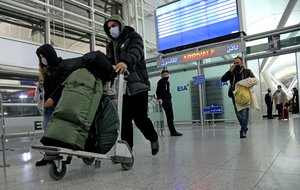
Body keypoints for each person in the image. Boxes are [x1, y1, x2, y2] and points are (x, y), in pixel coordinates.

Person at [103, 15, 159, 155]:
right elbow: (109, 61)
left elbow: (136, 52)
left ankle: (153, 137)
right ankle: (127, 151)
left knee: (140, 118)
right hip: (121, 87)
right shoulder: (111, 45)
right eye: (109, 27)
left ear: (120, 25)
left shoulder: (134, 37)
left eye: (114, 25)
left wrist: (124, 62)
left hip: (138, 85)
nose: (112, 29)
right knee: (124, 120)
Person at [221, 56, 255, 138]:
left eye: (237, 63)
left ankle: (243, 130)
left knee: (244, 114)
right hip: (235, 95)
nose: (235, 64)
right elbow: (222, 79)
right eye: (234, 63)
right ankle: (244, 128)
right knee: (238, 114)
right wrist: (229, 71)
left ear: (241, 63)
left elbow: (254, 79)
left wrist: (246, 83)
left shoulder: (247, 71)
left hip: (245, 95)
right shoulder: (231, 72)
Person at [156, 69, 182, 136]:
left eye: (167, 74)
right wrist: (160, 98)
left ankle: (173, 131)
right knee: (169, 116)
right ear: (162, 75)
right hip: (164, 101)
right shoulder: (161, 82)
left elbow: (167, 91)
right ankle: (173, 131)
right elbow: (158, 91)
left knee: (170, 116)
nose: (166, 75)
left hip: (168, 100)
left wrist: (170, 97)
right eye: (164, 74)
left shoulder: (167, 82)